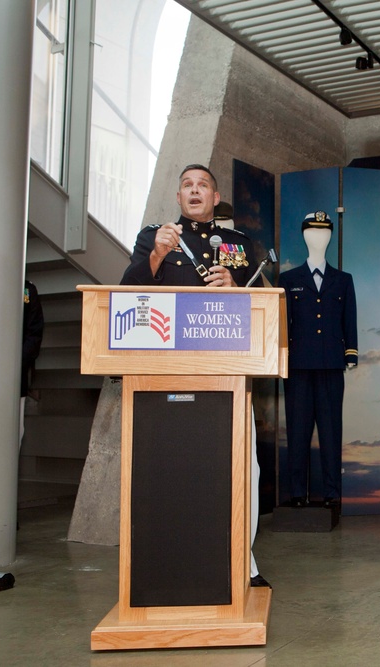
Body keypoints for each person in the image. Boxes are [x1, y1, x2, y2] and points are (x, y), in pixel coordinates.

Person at [120, 163, 270, 588]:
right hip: (170, 372)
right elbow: (127, 292)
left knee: (243, 466)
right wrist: (155, 257)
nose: (194, 190)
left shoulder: (235, 243)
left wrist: (237, 289)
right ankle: (171, 554)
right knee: (177, 465)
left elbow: (263, 306)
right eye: (186, 184)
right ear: (178, 196)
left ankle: (245, 559)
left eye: (202, 185)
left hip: (228, 369)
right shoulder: (156, 236)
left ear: (215, 196)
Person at [279, 211, 358, 508]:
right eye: (313, 232)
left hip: (330, 365)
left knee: (330, 431)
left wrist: (351, 352)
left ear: (330, 236)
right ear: (304, 236)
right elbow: (282, 322)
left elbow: (349, 318)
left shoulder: (343, 280)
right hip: (298, 365)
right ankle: (298, 494)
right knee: (297, 432)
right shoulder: (288, 279)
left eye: (325, 232)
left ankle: (331, 494)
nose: (319, 237)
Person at [20, 279, 45, 448]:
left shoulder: (26, 289)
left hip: (15, 378)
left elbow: (34, 333)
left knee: (15, 429)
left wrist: (17, 364)